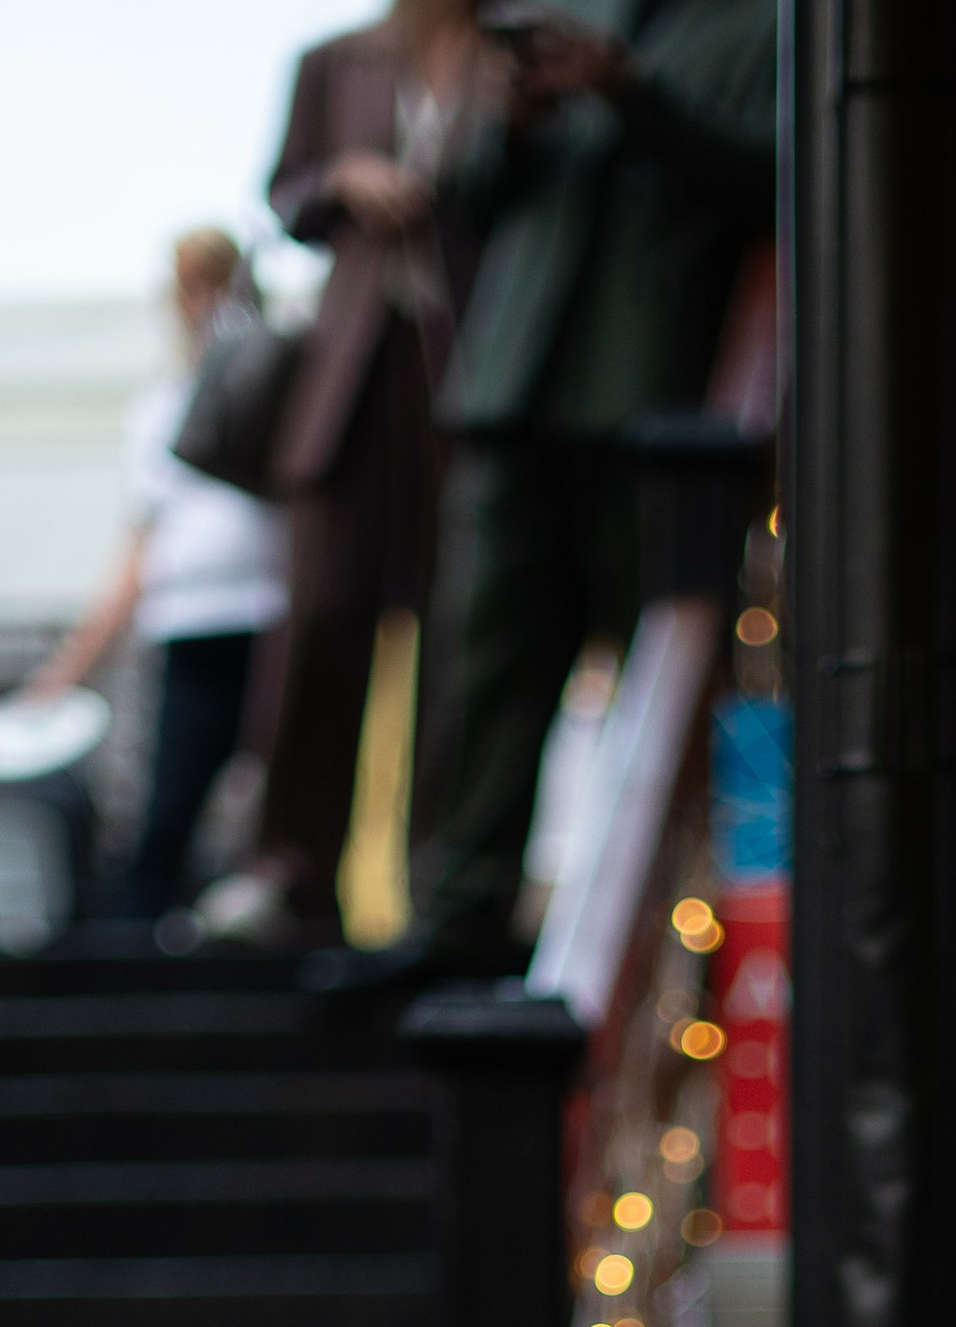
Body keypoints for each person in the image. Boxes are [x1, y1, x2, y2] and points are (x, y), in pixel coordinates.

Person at [342, 0, 778, 980]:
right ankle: (456, 917)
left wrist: (629, 91)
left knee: (650, 688)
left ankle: (645, 941)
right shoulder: (571, 16)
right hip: (514, 390)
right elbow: (470, 199)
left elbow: (773, 179)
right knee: (479, 671)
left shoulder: (763, 25)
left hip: (654, 401)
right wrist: (511, 120)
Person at [192, 0, 482, 952]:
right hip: (349, 376)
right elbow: (284, 199)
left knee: (458, 635)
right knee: (319, 622)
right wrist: (343, 179)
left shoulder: (510, 52)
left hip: (467, 374)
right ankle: (288, 871)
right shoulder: (334, 61)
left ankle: (438, 881)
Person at [21, 233, 288, 929]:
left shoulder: (286, 384)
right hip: (190, 631)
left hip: (274, 620)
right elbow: (135, 553)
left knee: (292, 819)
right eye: (188, 288)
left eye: (212, 284)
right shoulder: (157, 410)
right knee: (165, 821)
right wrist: (64, 671)